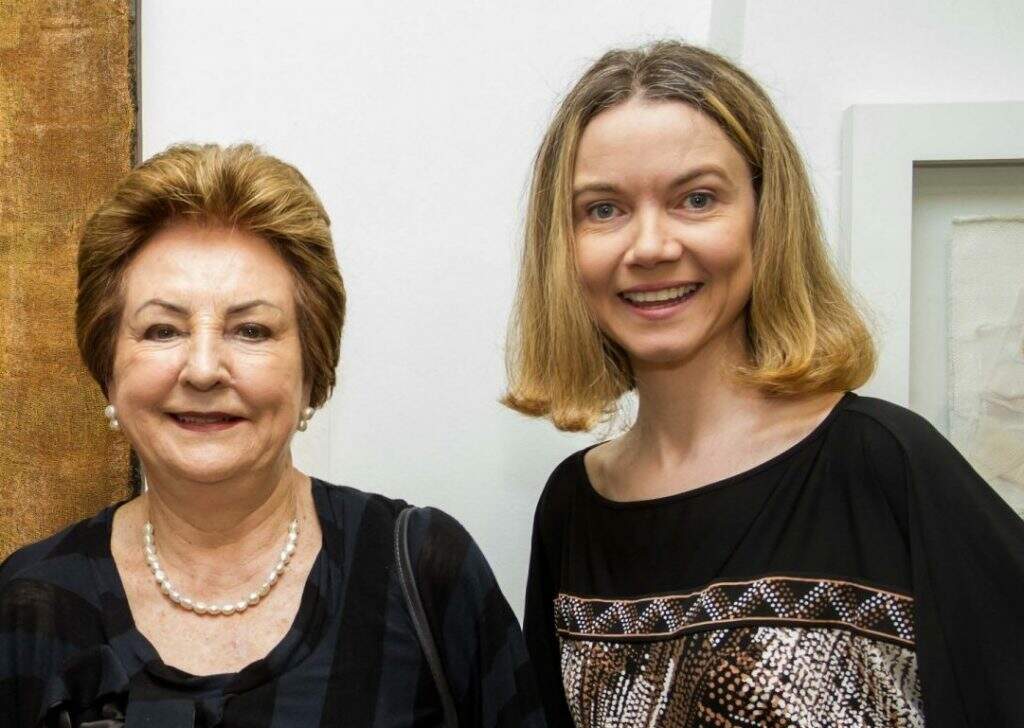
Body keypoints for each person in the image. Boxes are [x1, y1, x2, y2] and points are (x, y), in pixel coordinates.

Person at [504, 41, 1024, 727]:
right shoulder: (572, 507)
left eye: (697, 199)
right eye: (603, 209)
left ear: (765, 215)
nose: (651, 246)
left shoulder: (884, 464)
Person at [0, 143, 544, 727]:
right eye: (163, 330)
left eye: (251, 330)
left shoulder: (426, 573)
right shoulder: (32, 606)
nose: (203, 369)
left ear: (313, 368)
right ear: (108, 368)